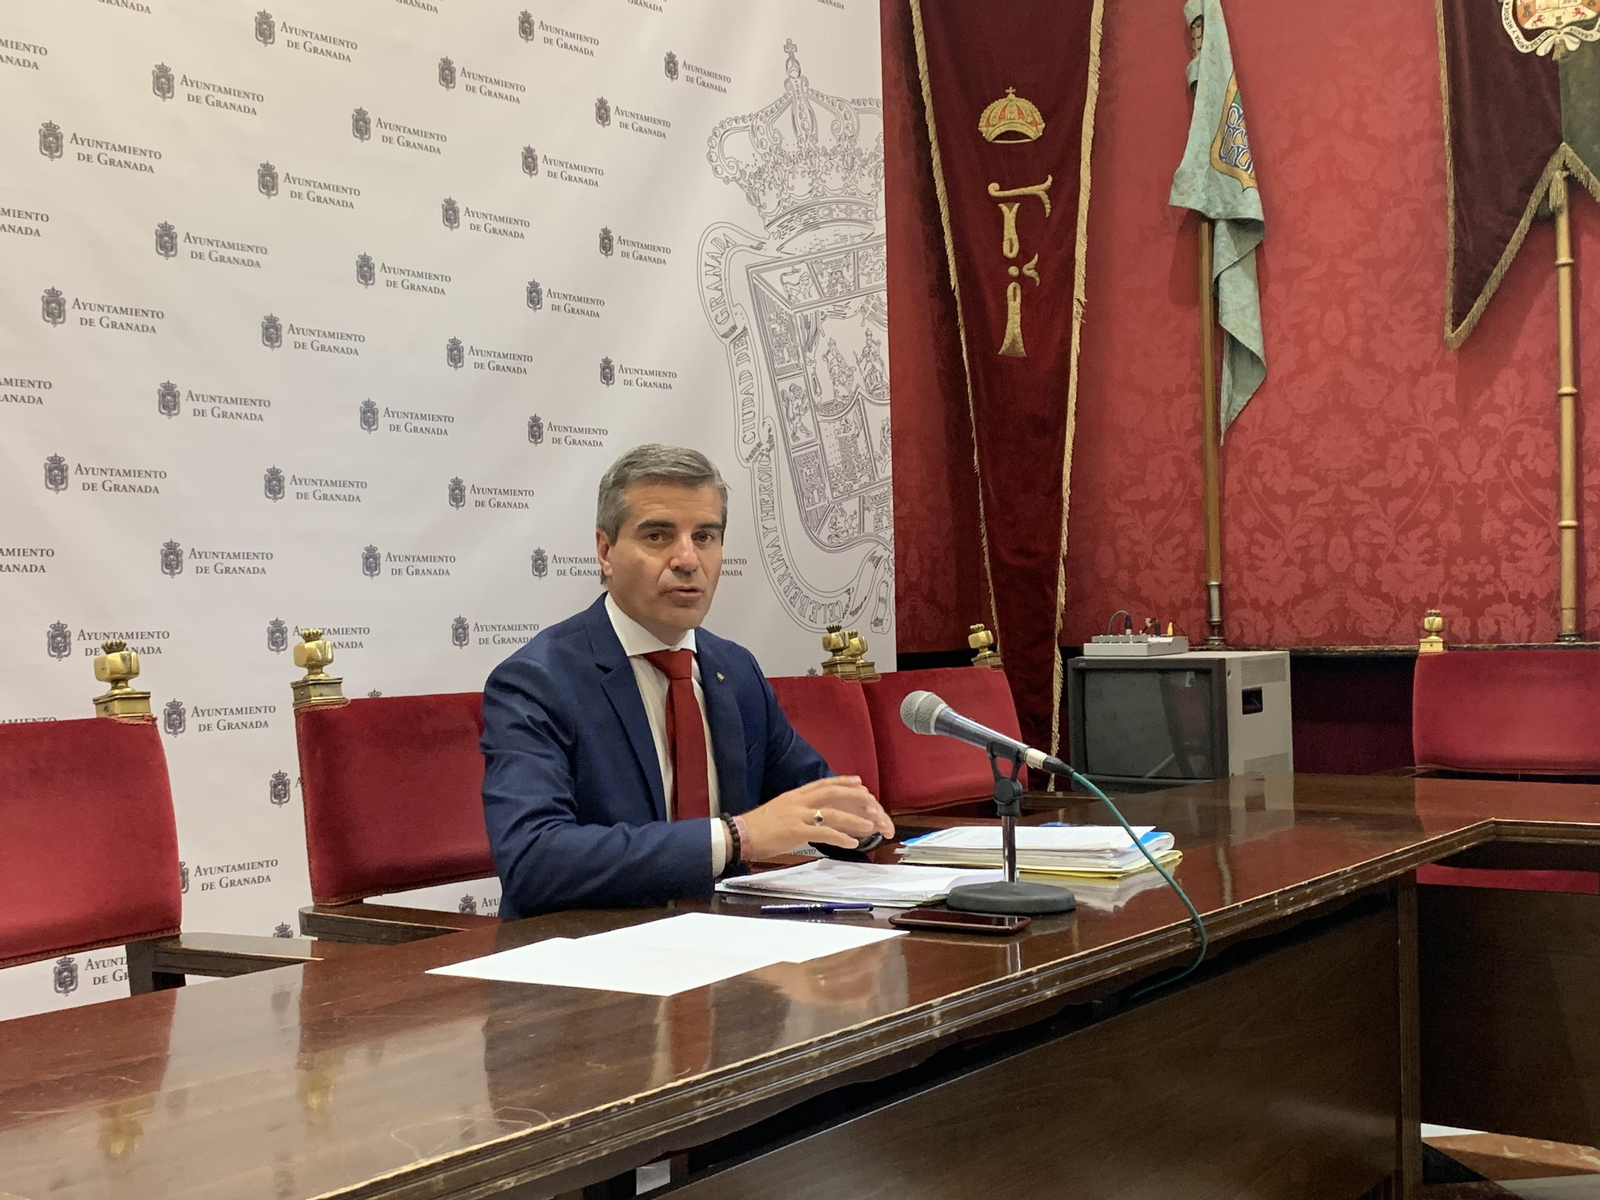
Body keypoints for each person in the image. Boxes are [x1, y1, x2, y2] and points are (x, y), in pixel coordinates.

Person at [481, 444, 895, 917]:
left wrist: (857, 824)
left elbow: (812, 798)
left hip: (733, 952)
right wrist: (735, 837)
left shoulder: (735, 671)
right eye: (657, 536)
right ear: (605, 551)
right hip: (598, 955)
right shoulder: (538, 681)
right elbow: (533, 859)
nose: (686, 558)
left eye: (705, 536)